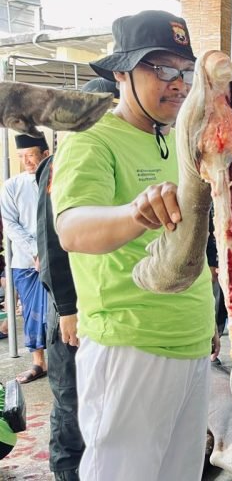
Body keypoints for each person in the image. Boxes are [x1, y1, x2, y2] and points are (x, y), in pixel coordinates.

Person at [50, 10, 219, 481]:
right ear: (121, 72)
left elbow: (190, 240)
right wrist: (133, 213)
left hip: (189, 343)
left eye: (184, 71)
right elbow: (72, 228)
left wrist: (208, 315)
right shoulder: (93, 139)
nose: (178, 83)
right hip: (129, 346)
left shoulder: (178, 141)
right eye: (160, 68)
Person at [36, 78, 117, 481]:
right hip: (71, 307)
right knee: (72, 407)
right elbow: (51, 238)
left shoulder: (117, 150)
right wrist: (67, 308)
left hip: (105, 303)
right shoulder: (65, 158)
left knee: (101, 407)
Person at [1, 133, 50, 383]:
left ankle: (65, 359)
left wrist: (48, 251)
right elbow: (10, 225)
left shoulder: (57, 181)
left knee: (60, 312)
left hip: (55, 258)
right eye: (21, 156)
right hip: (25, 261)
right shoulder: (12, 187)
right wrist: (35, 251)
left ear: (45, 154)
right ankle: (38, 362)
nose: (26, 161)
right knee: (31, 313)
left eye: (30, 155)